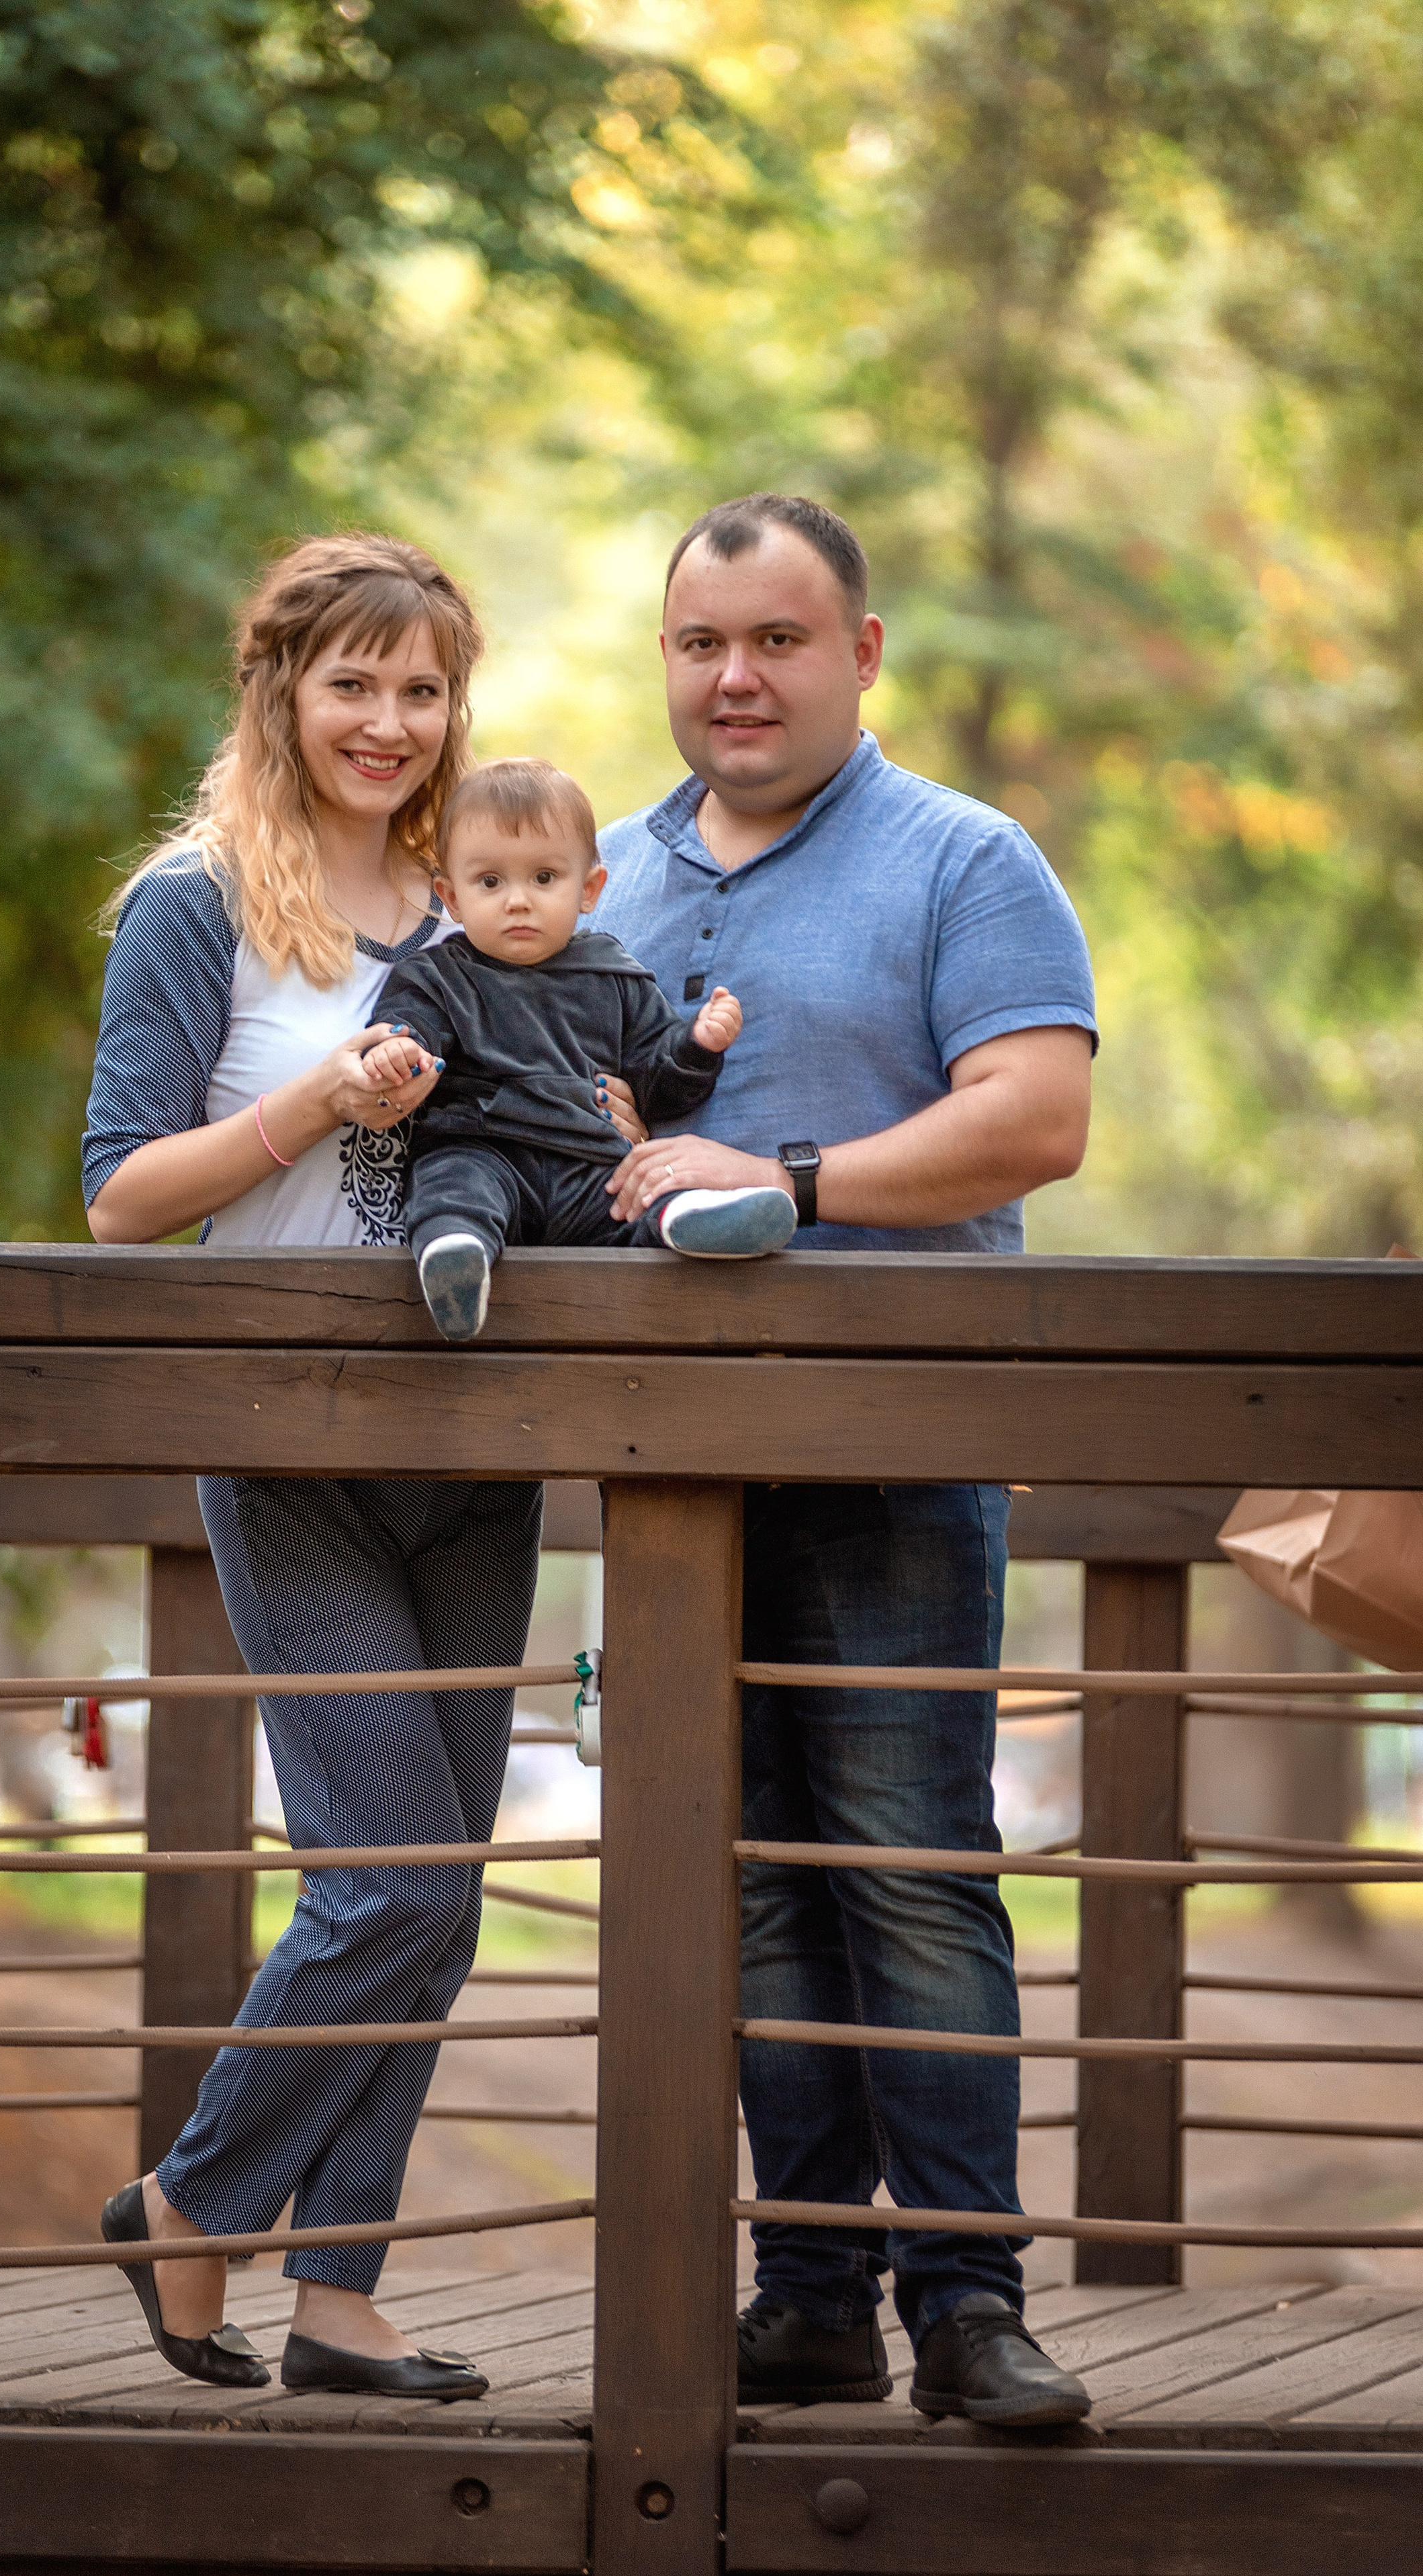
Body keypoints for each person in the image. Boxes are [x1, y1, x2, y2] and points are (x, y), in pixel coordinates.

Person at [79, 535, 641, 2399]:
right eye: (353, 683)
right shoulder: (193, 906)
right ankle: (191, 2200)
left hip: (479, 1447)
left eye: (422, 687)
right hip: (288, 1435)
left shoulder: (482, 897)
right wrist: (316, 1099)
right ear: (282, 689)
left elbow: (576, 1118)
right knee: (384, 1878)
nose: (389, 721)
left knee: (440, 1890)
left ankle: (338, 2293)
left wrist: (616, 1112)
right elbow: (119, 1198)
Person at [593, 492, 1099, 2427]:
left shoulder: (964, 857)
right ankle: (809, 2293)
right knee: (741, 1884)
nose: (735, 676)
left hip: (895, 1454)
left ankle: (968, 2303)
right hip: (668, 1474)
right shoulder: (596, 878)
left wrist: (781, 1180)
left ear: (860, 652)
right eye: (700, 642)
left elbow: (1033, 1117)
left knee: (905, 1871)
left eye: (777, 639)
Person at [365, 756, 796, 1341]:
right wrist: (397, 1051)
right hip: (484, 1147)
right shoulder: (438, 976)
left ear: (589, 889)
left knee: (643, 1190)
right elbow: (407, 1028)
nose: (518, 900)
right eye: (490, 882)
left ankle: (689, 1218)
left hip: (589, 1165)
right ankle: (455, 1257)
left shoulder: (613, 975)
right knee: (451, 1185)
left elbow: (658, 1083)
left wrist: (697, 1045)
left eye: (544, 878)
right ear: (452, 897)